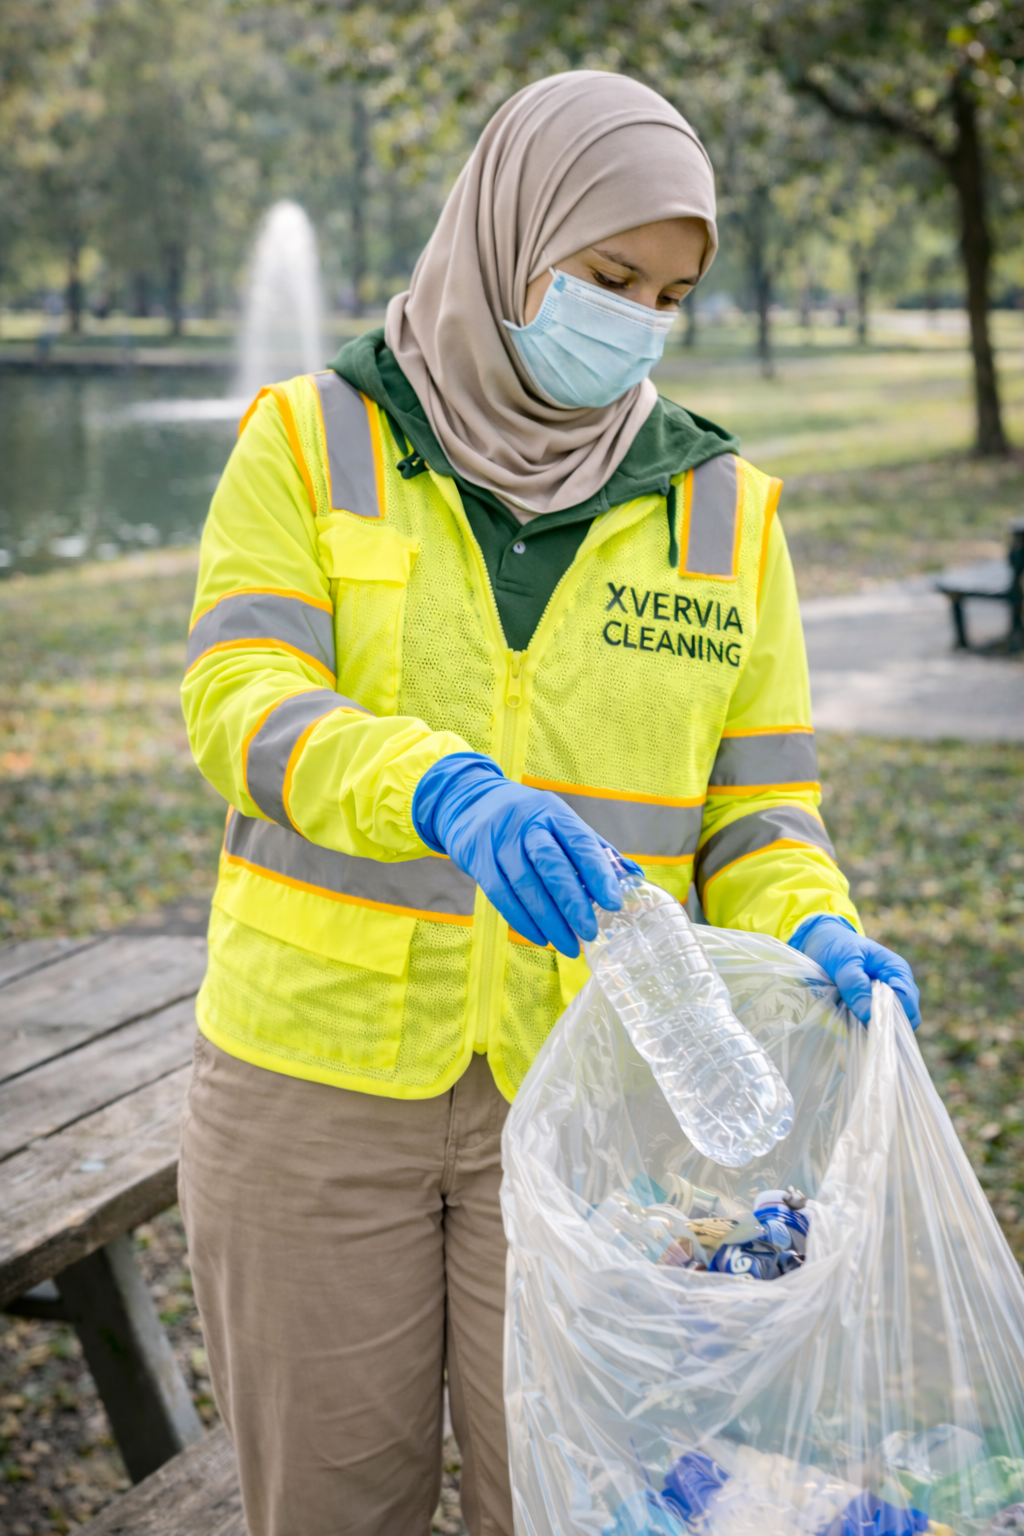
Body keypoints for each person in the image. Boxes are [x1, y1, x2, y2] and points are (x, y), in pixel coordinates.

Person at [179, 70, 920, 1536]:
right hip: (312, 1089)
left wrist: (818, 927)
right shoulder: (310, 437)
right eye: (605, 276)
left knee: (585, 1506)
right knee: (330, 1502)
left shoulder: (724, 512)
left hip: (597, 1106)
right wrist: (433, 787)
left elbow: (758, 815)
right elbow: (237, 703)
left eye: (670, 292)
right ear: (512, 239)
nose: (635, 318)